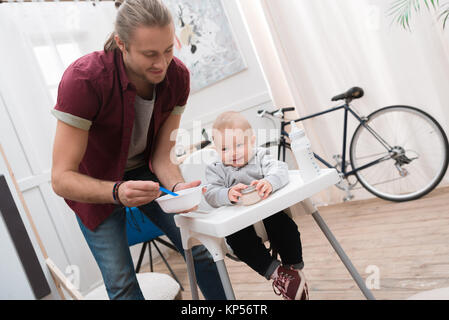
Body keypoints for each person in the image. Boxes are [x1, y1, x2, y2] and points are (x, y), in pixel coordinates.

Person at [50, 0, 226, 300]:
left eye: (168, 50)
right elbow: (61, 178)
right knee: (122, 284)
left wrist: (178, 187)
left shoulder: (177, 76)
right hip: (94, 182)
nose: (162, 63)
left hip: (145, 170)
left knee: (200, 254)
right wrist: (117, 192)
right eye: (149, 54)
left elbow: (161, 157)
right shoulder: (84, 80)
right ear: (122, 44)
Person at [204, 111, 309, 300]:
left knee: (285, 226)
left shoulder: (260, 156)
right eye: (225, 149)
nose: (233, 152)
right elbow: (210, 194)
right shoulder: (216, 169)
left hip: (268, 216)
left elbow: (281, 169)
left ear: (251, 141)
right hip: (239, 223)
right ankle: (279, 274)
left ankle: (293, 270)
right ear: (216, 150)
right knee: (237, 240)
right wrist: (226, 194)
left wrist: (269, 182)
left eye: (239, 145)